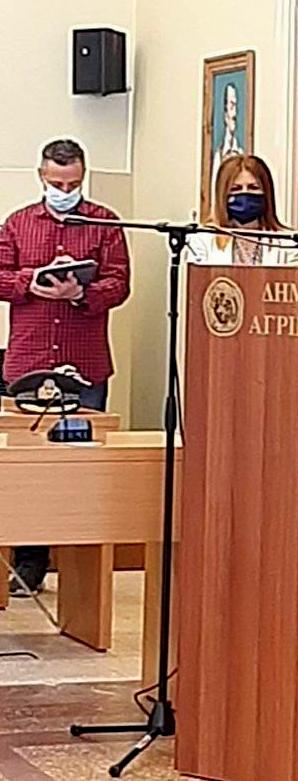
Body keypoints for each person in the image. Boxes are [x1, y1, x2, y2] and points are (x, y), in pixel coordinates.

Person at [0, 138, 131, 596]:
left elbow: (119, 284)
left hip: (85, 364)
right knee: (28, 470)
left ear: (83, 177)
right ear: (41, 177)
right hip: (29, 362)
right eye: (56, 184)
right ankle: (28, 563)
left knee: (83, 470)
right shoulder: (17, 223)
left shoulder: (105, 223)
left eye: (72, 184)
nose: (64, 191)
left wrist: (80, 292)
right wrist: (32, 282)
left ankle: (82, 576)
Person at [189, 154, 298, 266]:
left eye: (253, 187)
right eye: (235, 189)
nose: (245, 193)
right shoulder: (202, 240)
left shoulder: (288, 243)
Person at [211, 82, 244, 198]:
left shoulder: (240, 151)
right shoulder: (218, 155)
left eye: (235, 105)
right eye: (231, 106)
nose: (234, 113)